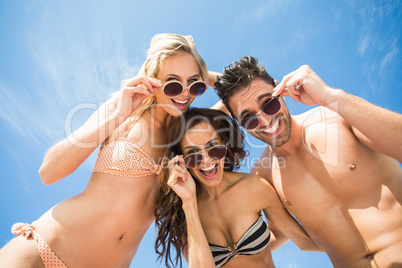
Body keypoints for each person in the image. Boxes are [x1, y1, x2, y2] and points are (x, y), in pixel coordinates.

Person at [0, 33, 210, 267]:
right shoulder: (125, 108)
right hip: (43, 251)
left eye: (195, 84)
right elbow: (48, 172)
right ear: (153, 80)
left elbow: (234, 90)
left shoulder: (187, 140)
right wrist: (118, 116)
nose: (184, 93)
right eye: (173, 83)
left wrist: (199, 68)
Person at [213, 56, 402, 267]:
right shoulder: (263, 175)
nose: (266, 121)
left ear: (280, 90)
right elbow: (287, 236)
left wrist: (331, 96)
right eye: (249, 118)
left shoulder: (337, 116)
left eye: (269, 104)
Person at [154, 108, 321, 268]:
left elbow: (302, 240)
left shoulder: (255, 187)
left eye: (214, 148)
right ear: (181, 161)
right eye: (194, 155)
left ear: (225, 145)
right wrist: (189, 203)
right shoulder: (182, 213)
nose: (206, 160)